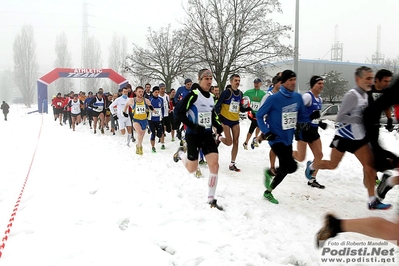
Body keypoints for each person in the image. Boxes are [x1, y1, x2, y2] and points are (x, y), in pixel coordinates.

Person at [306, 66, 391, 210]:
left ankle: (372, 200)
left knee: (370, 167)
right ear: (358, 79)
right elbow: (340, 117)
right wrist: (358, 118)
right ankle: (312, 166)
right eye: (367, 78)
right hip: (344, 137)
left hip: (359, 139)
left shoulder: (367, 94)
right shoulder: (352, 95)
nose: (371, 81)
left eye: (372, 78)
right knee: (333, 165)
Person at [256, 70, 309, 204]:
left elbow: (302, 116)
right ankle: (270, 172)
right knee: (291, 166)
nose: (293, 82)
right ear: (283, 82)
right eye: (290, 80)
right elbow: (259, 116)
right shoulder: (273, 99)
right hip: (275, 138)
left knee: (285, 169)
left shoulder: (297, 97)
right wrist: (266, 132)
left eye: (294, 79)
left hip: (288, 138)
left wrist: (304, 126)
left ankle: (268, 191)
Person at [173, 69, 224, 210]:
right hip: (193, 135)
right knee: (192, 168)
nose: (209, 81)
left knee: (215, 165)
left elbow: (213, 115)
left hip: (207, 134)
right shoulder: (193, 95)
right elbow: (178, 112)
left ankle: (211, 199)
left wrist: (218, 126)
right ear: (200, 79)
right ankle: (181, 154)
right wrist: (192, 125)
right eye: (206, 78)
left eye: (210, 78)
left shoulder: (212, 97)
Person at [294, 76, 327, 189]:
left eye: (323, 83)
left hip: (313, 130)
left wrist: (320, 123)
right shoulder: (307, 97)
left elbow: (315, 115)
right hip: (303, 129)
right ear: (313, 85)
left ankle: (312, 179)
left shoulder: (320, 99)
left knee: (319, 155)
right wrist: (310, 116)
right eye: (319, 83)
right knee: (300, 157)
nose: (321, 85)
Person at [214, 74, 250, 172]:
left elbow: (241, 108)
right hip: (225, 120)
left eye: (239, 80)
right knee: (229, 142)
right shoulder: (226, 92)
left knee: (236, 141)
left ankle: (232, 163)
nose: (237, 82)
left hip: (235, 121)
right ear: (231, 82)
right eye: (235, 80)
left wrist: (248, 108)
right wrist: (219, 117)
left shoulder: (240, 94)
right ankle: (219, 137)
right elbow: (217, 106)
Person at [257, 75, 282, 176]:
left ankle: (260, 137)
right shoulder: (268, 96)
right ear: (275, 83)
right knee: (276, 146)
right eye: (281, 82)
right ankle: (272, 167)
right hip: (271, 124)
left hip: (281, 125)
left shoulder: (283, 95)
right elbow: (261, 111)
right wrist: (264, 126)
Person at [123, 86, 153, 155]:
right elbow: (126, 105)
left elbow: (151, 107)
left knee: (142, 135)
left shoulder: (146, 100)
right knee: (139, 133)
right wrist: (124, 112)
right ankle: (139, 146)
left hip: (144, 120)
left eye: (142, 92)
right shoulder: (132, 100)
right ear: (135, 92)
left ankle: (139, 144)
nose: (141, 93)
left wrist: (154, 111)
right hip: (136, 119)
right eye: (139, 92)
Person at [243, 78, 266, 150]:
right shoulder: (248, 92)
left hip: (259, 114)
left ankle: (247, 142)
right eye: (255, 83)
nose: (256, 84)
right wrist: (245, 106)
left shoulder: (263, 94)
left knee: (257, 125)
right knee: (255, 124)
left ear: (260, 84)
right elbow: (243, 98)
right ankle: (254, 140)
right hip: (251, 113)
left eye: (257, 83)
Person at [148, 86, 165, 152]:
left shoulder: (161, 100)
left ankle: (161, 140)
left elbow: (162, 109)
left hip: (158, 119)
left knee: (160, 134)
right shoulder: (150, 99)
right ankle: (153, 147)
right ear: (153, 92)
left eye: (158, 92)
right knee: (153, 133)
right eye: (155, 92)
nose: (157, 93)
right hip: (151, 119)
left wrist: (162, 117)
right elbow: (148, 109)